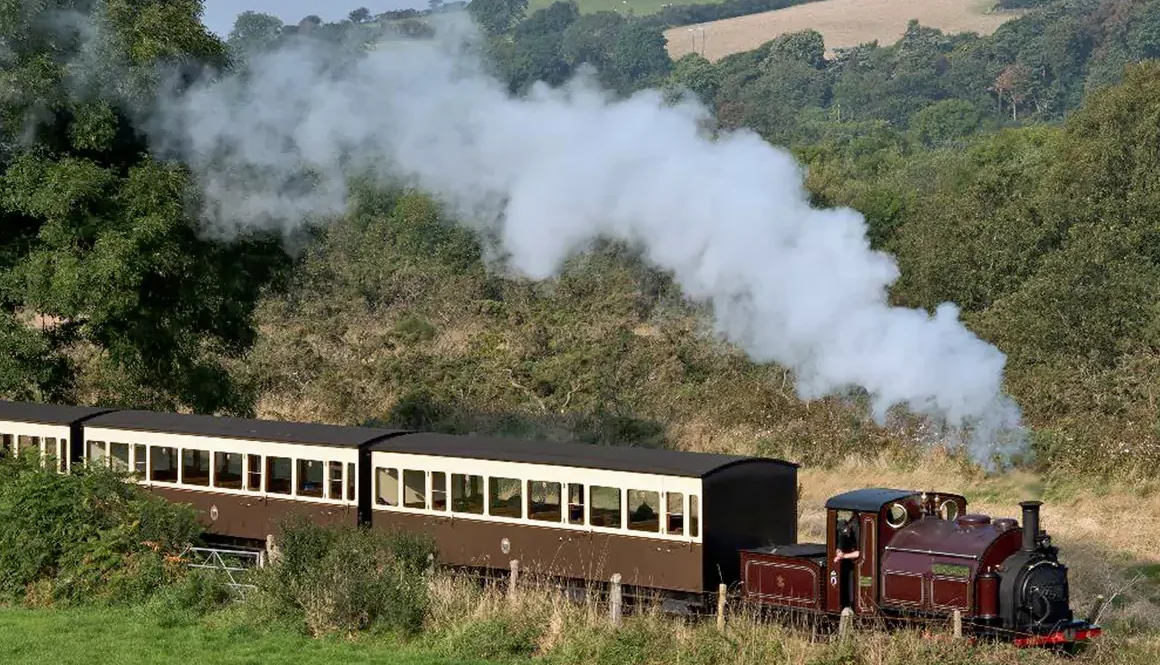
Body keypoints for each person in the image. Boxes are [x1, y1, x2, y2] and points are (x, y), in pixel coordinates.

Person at [834, 514, 861, 609]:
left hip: (854, 563)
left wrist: (844, 556)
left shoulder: (857, 529)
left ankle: (851, 604)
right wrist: (839, 551)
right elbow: (839, 545)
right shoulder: (843, 529)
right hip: (847, 563)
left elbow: (861, 552)